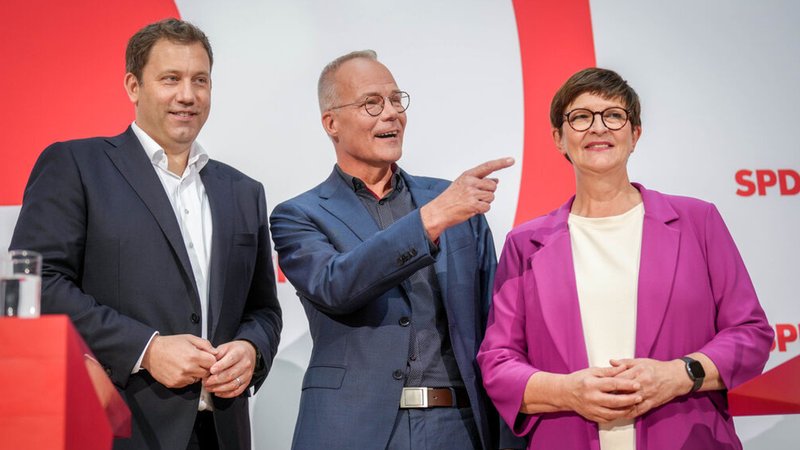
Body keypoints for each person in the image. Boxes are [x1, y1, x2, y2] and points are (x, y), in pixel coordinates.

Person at [10, 18, 282, 450]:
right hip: (117, 429)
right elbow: (34, 284)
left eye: (199, 80)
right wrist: (146, 349)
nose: (187, 95)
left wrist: (252, 349)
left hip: (223, 433)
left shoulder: (243, 191)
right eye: (170, 79)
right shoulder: (76, 166)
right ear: (133, 86)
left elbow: (263, 309)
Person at [477, 67, 774, 449]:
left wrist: (679, 375)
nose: (598, 128)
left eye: (614, 115)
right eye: (581, 117)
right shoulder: (525, 244)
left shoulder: (697, 222)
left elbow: (750, 334)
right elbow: (498, 362)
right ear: (558, 138)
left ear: (635, 134)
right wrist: (568, 391)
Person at [269, 50, 524, 450]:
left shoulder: (452, 203)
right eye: (371, 103)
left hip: (456, 427)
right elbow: (336, 285)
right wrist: (429, 220)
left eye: (395, 100)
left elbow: (494, 326)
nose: (390, 113)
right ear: (331, 123)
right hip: (352, 430)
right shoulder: (299, 215)